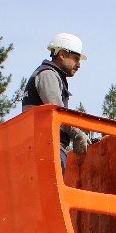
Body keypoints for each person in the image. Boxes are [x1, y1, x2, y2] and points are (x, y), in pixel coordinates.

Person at [21, 32, 90, 171]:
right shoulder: (48, 75)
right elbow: (58, 113)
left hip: (46, 146)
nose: (78, 65)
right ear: (62, 55)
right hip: (46, 147)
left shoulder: (52, 76)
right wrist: (77, 134)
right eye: (76, 59)